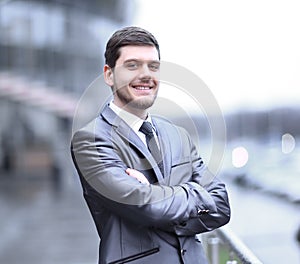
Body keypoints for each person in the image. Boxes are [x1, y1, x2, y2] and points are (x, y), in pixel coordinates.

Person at [71, 26, 230, 264]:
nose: (146, 75)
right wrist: (196, 195)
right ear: (109, 74)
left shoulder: (179, 136)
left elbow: (221, 206)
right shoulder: (91, 140)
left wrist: (159, 196)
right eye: (132, 65)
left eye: (153, 66)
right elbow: (147, 207)